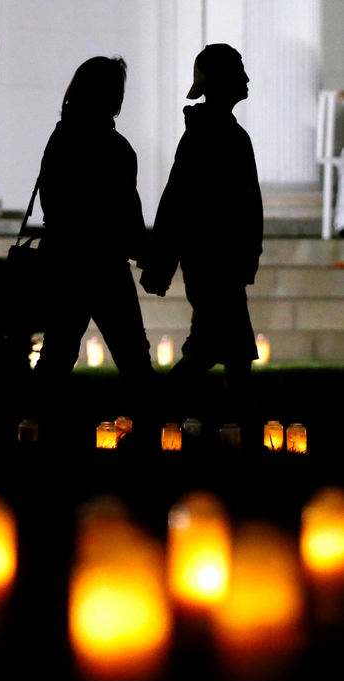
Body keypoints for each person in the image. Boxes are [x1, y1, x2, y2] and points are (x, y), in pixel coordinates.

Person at [140, 44, 263, 427]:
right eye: (238, 71)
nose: (246, 79)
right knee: (215, 352)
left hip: (219, 263)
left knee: (225, 351)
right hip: (213, 264)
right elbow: (178, 202)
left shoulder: (220, 133)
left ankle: (231, 428)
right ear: (221, 80)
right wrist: (161, 261)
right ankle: (156, 419)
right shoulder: (209, 136)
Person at [34, 56, 154, 423]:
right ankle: (152, 430)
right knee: (134, 359)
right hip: (104, 267)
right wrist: (151, 257)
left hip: (64, 262)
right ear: (113, 98)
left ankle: (29, 426)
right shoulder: (116, 149)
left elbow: (51, 204)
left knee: (56, 355)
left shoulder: (61, 138)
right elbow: (127, 218)